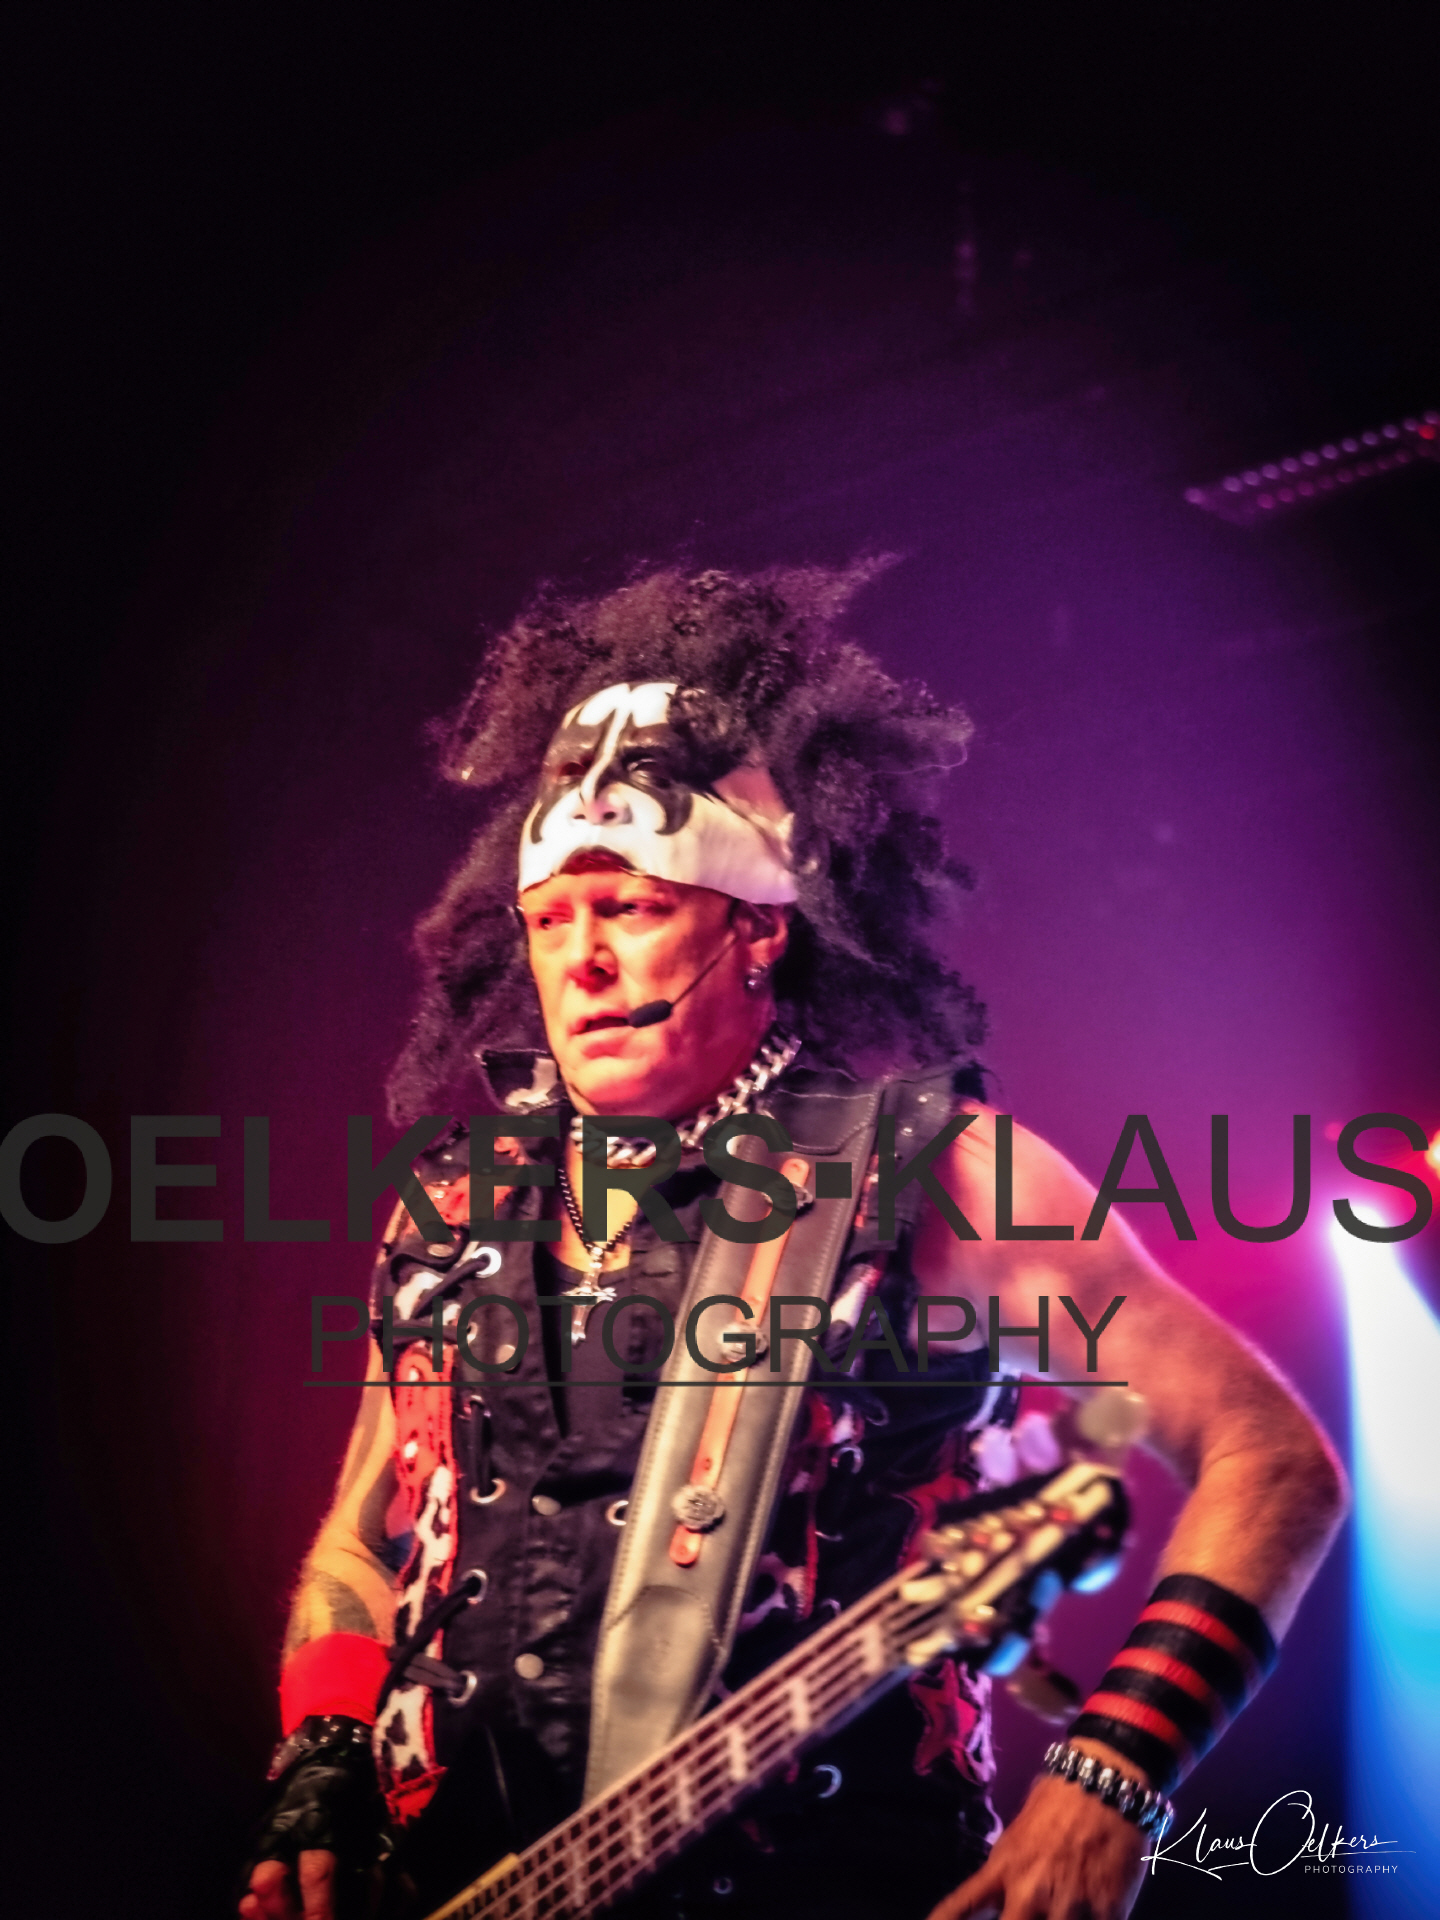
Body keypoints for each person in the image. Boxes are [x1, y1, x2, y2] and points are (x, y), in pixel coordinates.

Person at [240, 563, 1345, 1920]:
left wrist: (1111, 1770)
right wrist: (322, 1761)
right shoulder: (452, 1204)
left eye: (631, 906)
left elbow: (1268, 1457)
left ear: (758, 927)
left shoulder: (934, 1172)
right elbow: (365, 1536)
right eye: (550, 920)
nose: (580, 961)